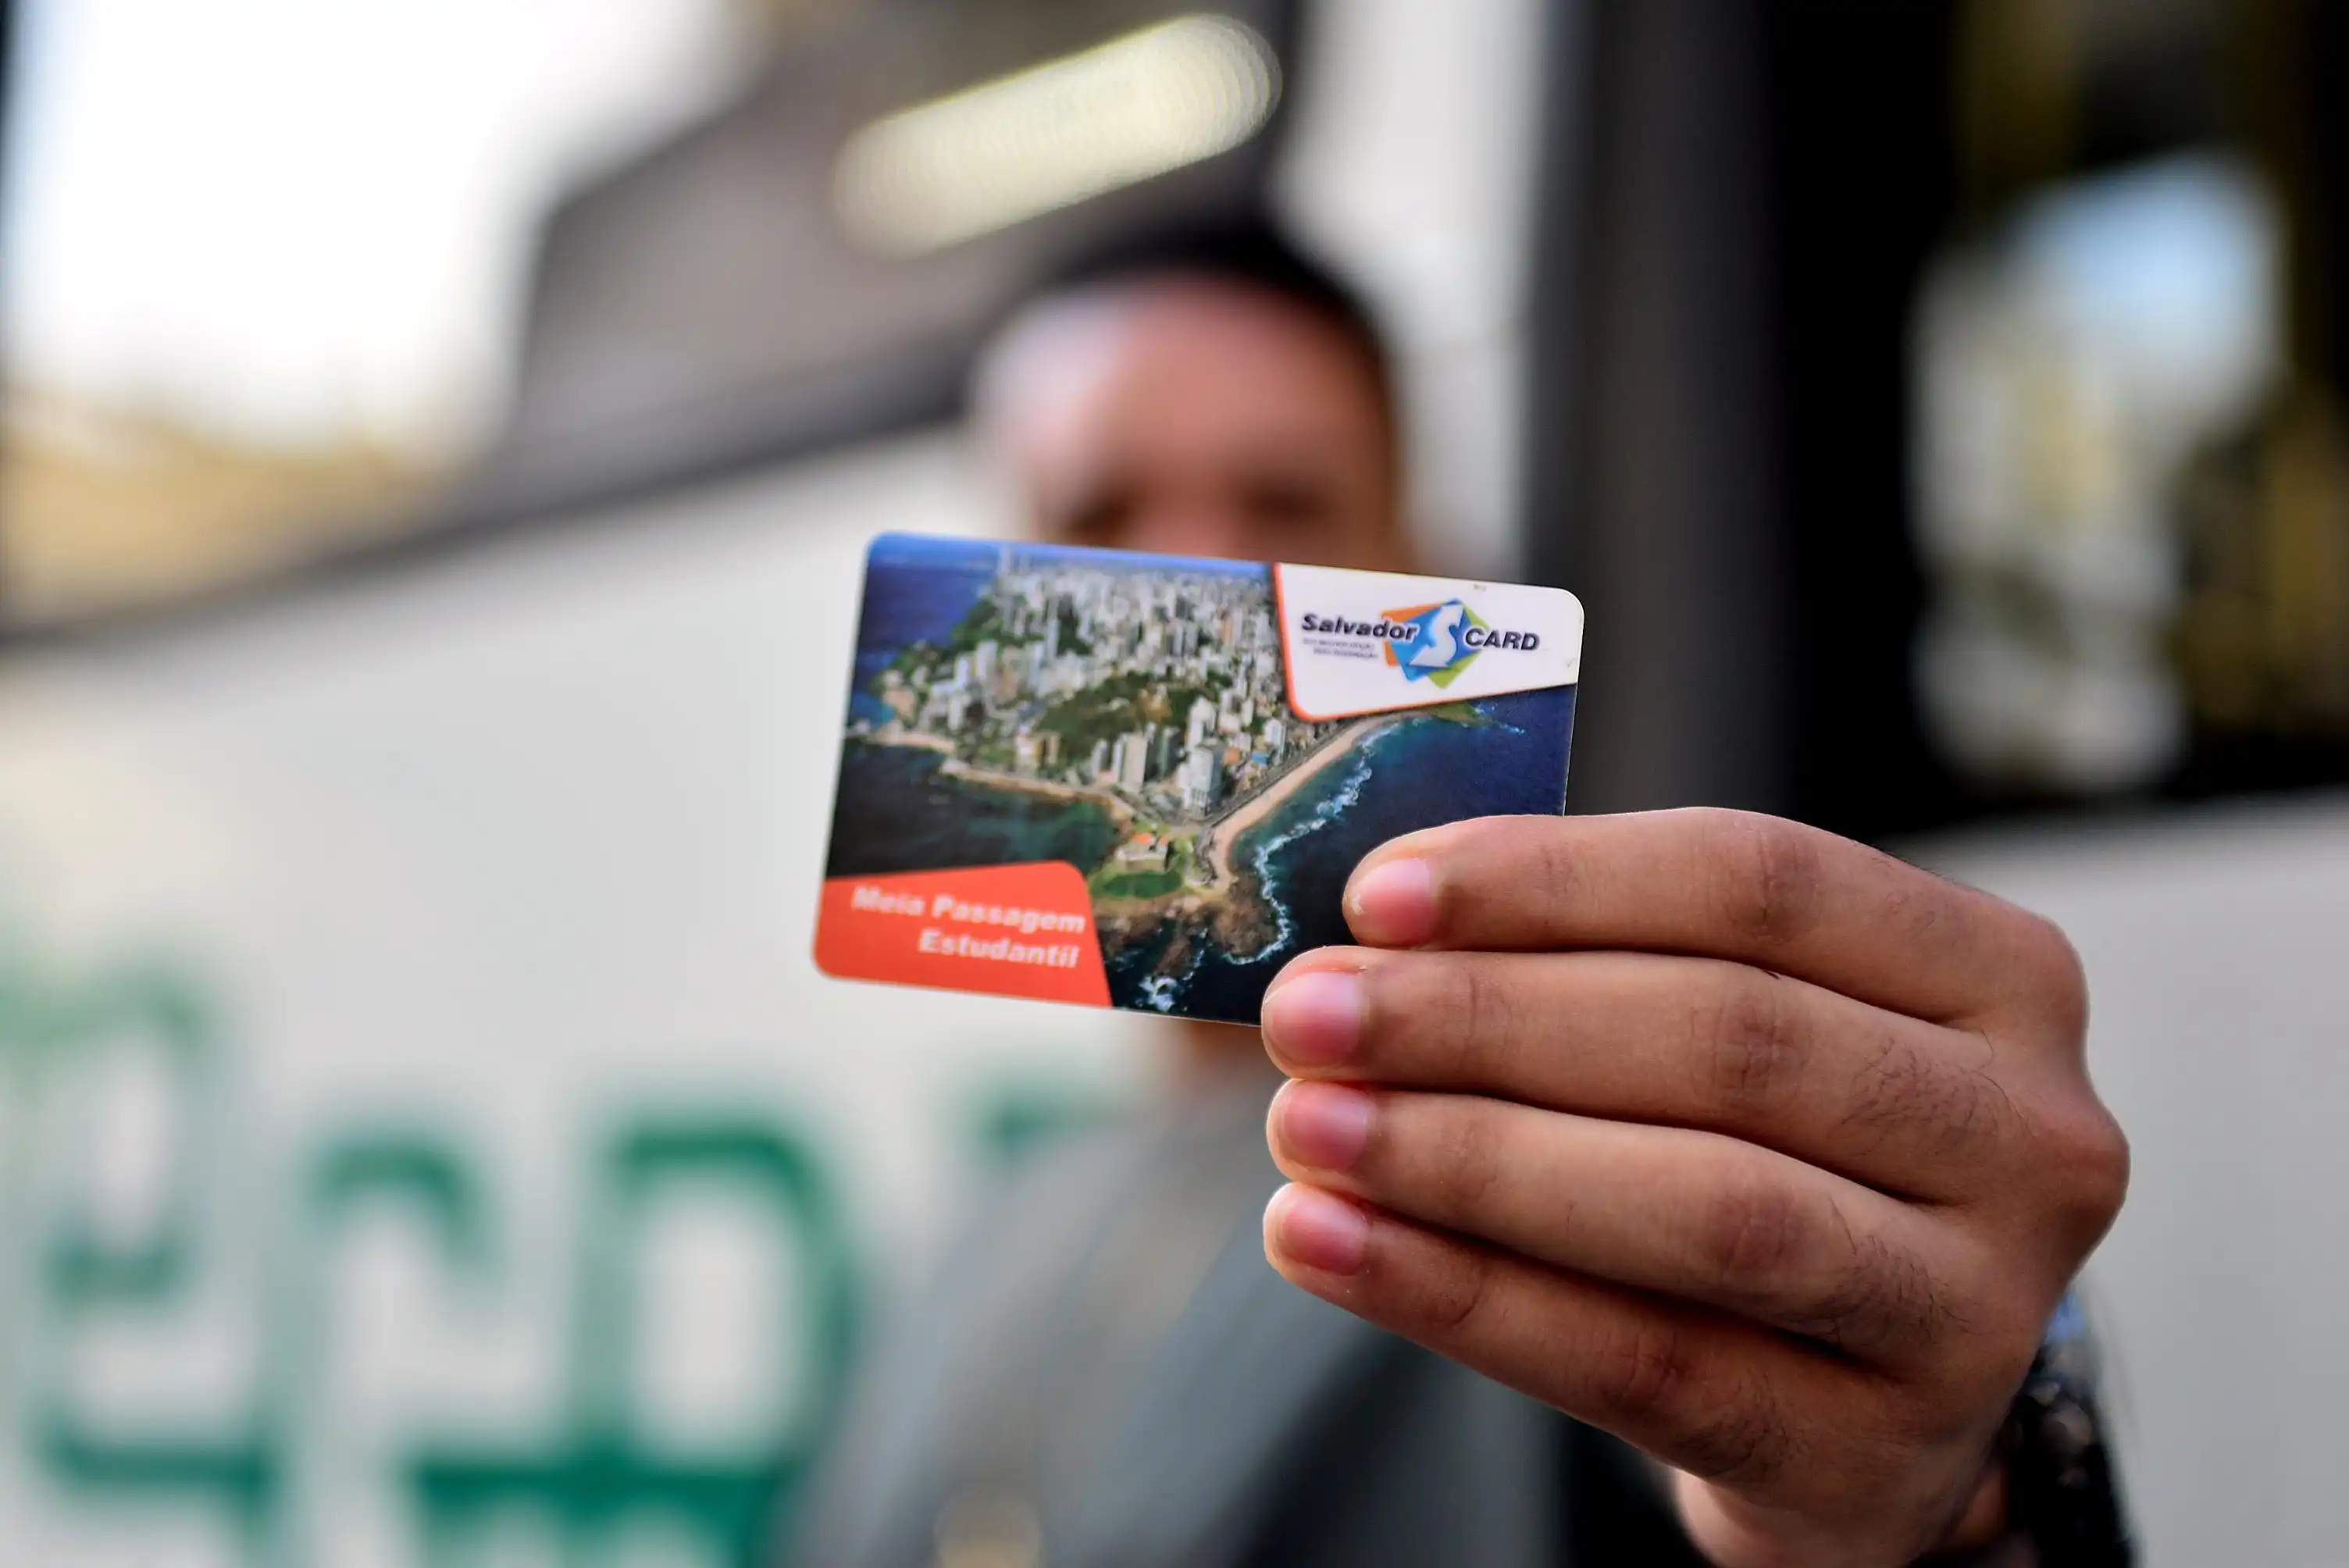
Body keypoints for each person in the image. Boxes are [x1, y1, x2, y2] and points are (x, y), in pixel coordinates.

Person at [792, 223, 2130, 1568]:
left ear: (1426, 576)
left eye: (1286, 505)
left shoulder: (1601, 1171)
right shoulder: (980, 1238)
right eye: (1098, 516)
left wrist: (1953, 1480)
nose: (1195, 577)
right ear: (989, 598)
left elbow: (1816, 1454)